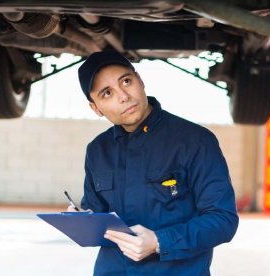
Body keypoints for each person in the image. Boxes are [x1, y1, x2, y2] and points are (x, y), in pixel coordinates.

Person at [71, 50, 239, 275]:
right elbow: (97, 211)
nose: (124, 96)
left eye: (127, 81)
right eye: (107, 93)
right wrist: (81, 218)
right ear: (96, 108)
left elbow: (223, 220)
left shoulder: (195, 141)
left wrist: (160, 242)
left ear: (140, 80)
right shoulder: (97, 150)